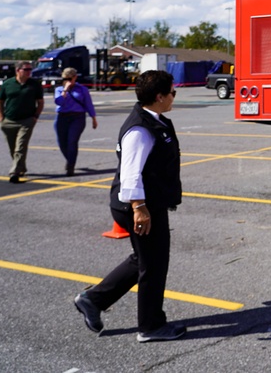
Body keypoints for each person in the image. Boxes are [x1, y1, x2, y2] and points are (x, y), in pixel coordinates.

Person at [73, 70, 187, 342]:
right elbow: (131, 173)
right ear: (159, 96)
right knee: (154, 265)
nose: (174, 96)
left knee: (144, 259)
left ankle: (93, 299)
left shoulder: (152, 121)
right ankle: (150, 327)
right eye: (172, 92)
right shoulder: (140, 129)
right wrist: (139, 207)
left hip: (146, 203)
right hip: (138, 207)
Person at [0, 61, 44, 184]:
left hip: (27, 120)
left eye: (30, 69)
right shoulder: (8, 84)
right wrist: (1, 118)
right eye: (26, 69)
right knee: (13, 148)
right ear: (18, 70)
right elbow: (0, 102)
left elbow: (40, 101)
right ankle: (21, 167)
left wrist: (35, 116)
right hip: (9, 120)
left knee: (20, 146)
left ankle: (14, 172)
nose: (29, 72)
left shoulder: (34, 84)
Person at [54, 67, 98, 176]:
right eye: (65, 78)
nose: (67, 80)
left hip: (77, 117)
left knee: (72, 141)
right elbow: (58, 102)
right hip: (62, 117)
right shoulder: (59, 89)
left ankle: (70, 166)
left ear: (75, 77)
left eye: (70, 78)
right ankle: (70, 159)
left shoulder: (82, 89)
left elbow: (89, 104)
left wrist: (93, 118)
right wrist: (65, 90)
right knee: (62, 142)